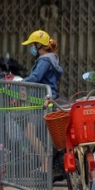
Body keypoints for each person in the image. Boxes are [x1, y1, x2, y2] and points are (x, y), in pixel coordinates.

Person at [21, 30, 64, 177]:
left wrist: (20, 81)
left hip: (43, 101)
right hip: (44, 100)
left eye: (32, 45)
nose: (31, 48)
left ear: (39, 45)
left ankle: (46, 166)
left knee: (31, 133)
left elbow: (35, 77)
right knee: (40, 134)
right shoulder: (51, 59)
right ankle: (46, 165)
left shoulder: (45, 60)